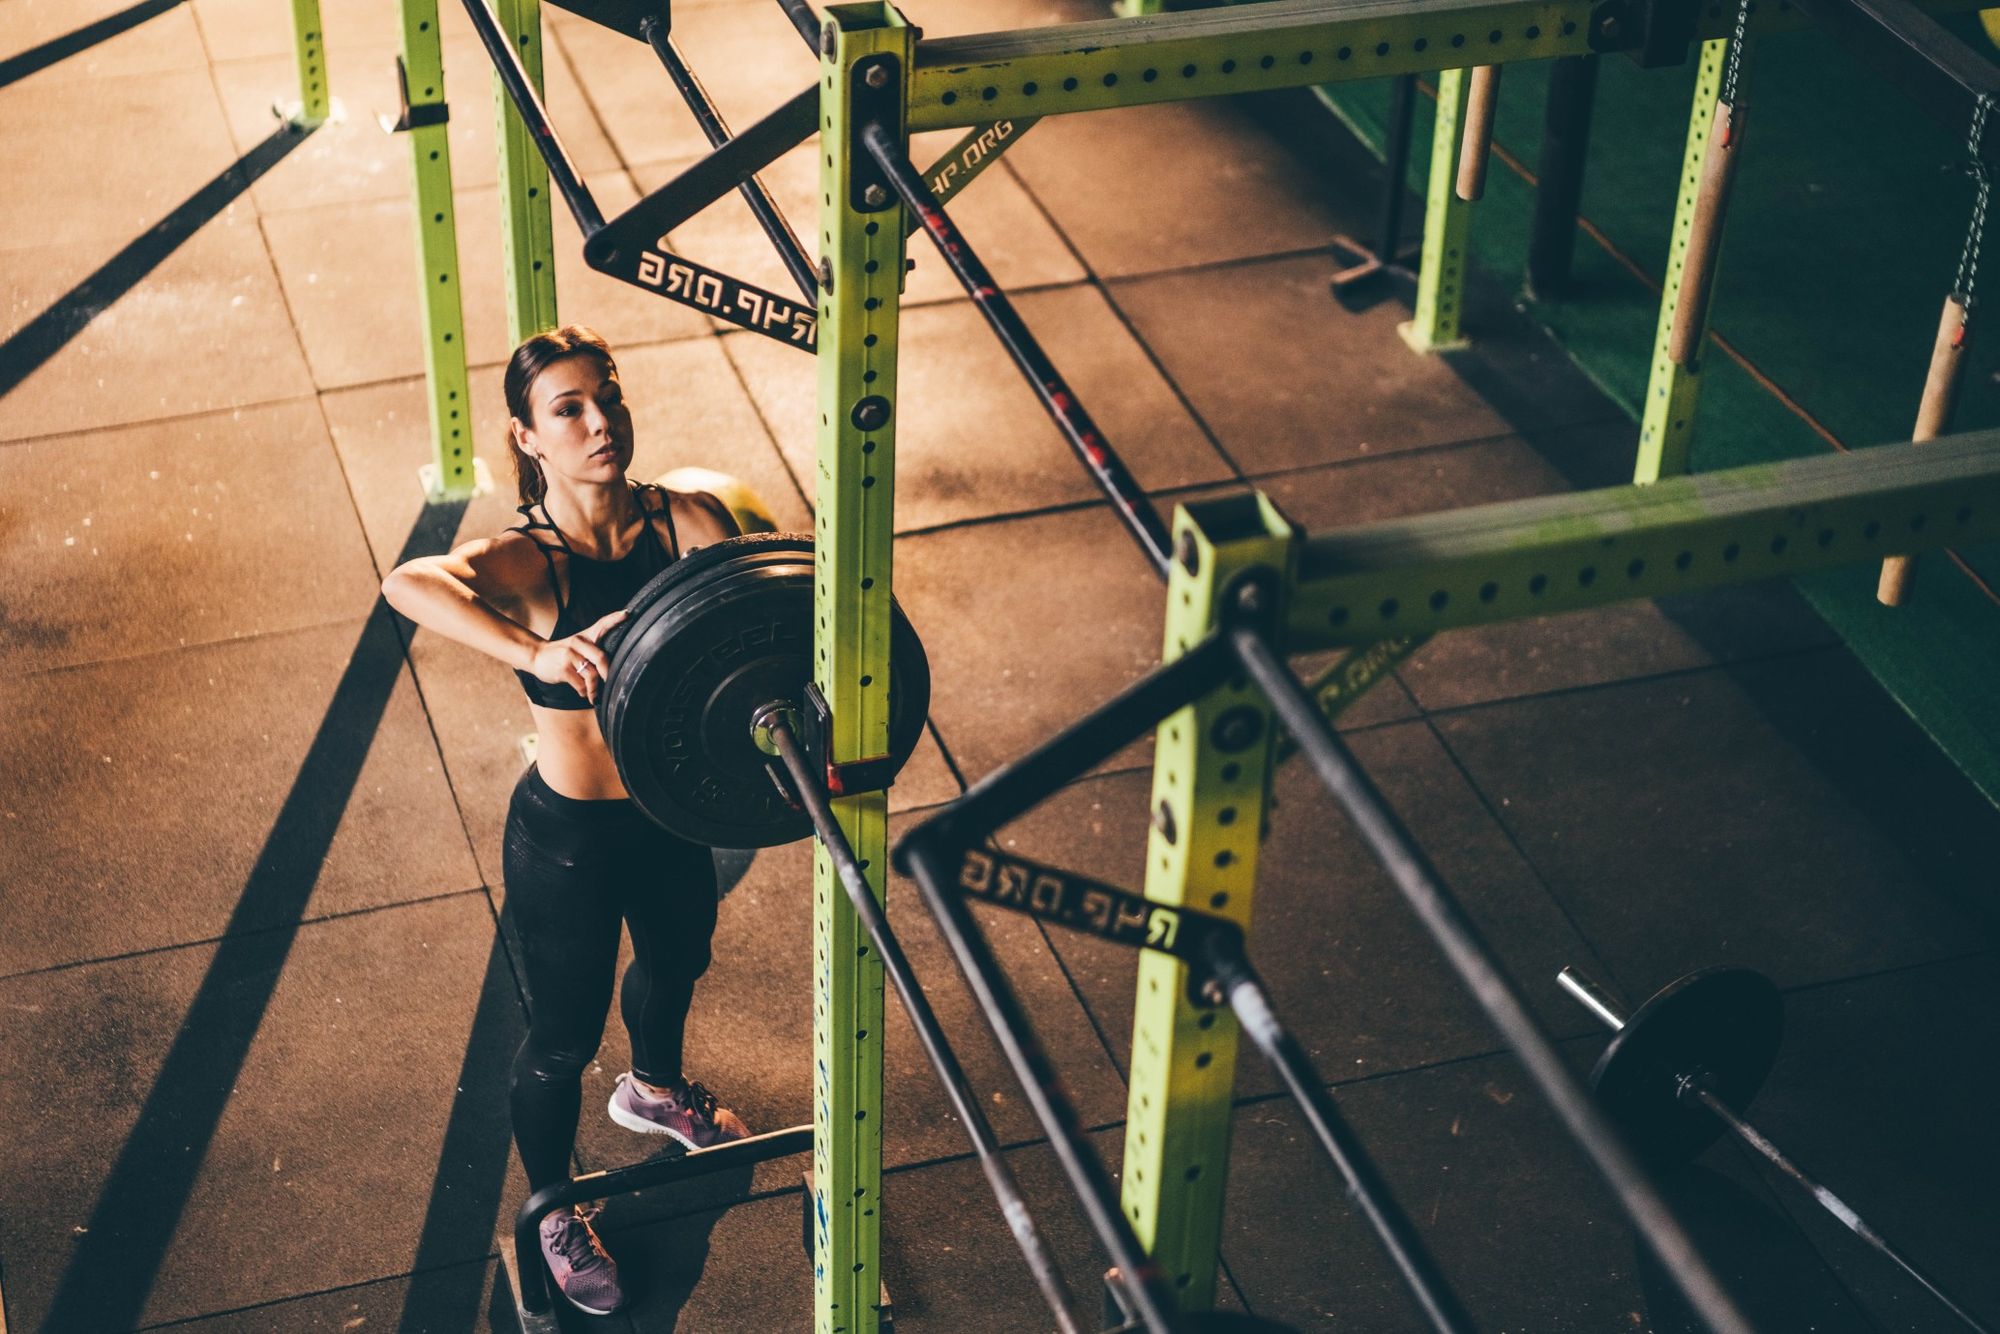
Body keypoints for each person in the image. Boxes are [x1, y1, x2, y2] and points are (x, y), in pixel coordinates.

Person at [382, 325, 749, 1315]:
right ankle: (551, 1207)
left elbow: (753, 612)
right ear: (528, 436)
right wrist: (535, 653)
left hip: (671, 816)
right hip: (570, 841)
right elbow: (406, 582)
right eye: (569, 408)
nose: (599, 422)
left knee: (676, 964)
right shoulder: (526, 560)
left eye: (608, 396)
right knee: (558, 1038)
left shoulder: (688, 521)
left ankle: (654, 1090)